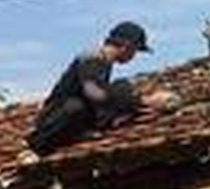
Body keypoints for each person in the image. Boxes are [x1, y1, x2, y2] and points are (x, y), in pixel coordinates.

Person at [26, 21, 178, 157]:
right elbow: (94, 92)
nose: (133, 56)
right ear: (127, 46)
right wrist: (143, 101)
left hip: (80, 114)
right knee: (78, 106)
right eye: (135, 51)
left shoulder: (104, 63)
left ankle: (91, 126)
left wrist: (136, 107)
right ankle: (38, 144)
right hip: (56, 119)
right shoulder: (92, 57)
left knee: (122, 87)